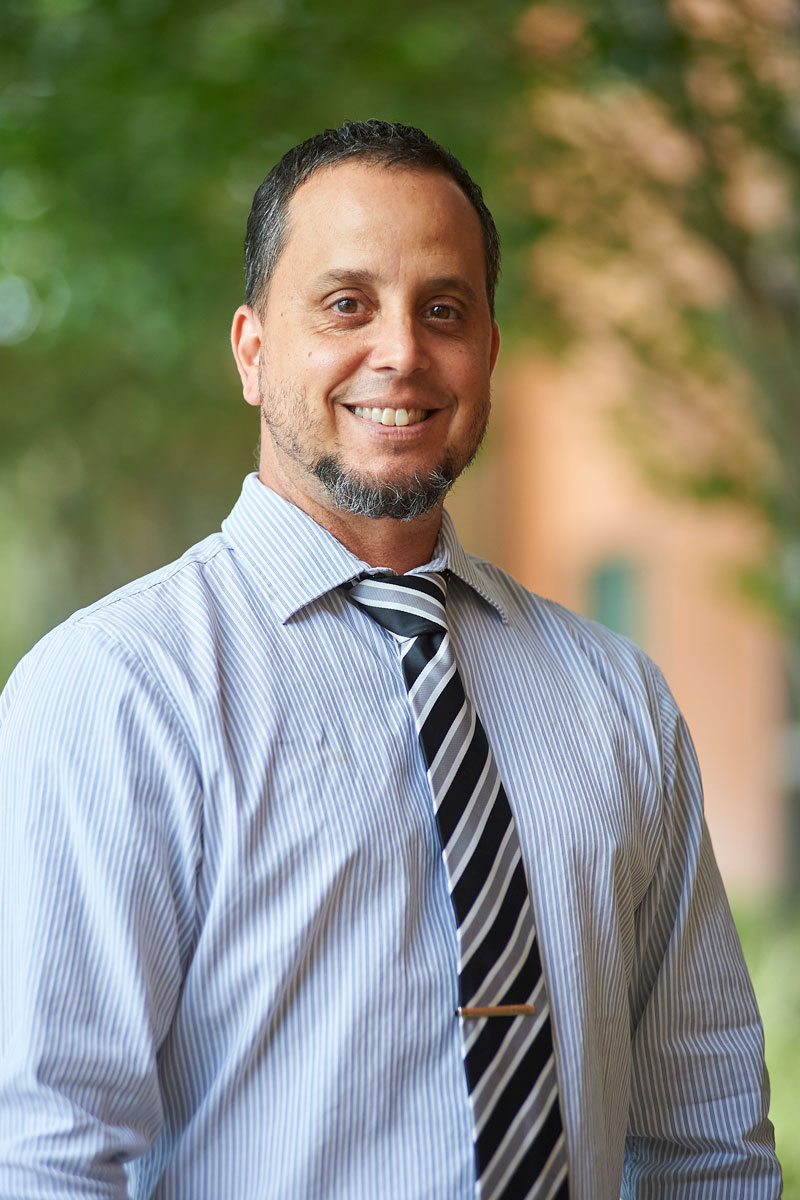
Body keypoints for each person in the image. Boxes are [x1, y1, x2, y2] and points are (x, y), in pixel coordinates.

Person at [0, 119, 781, 1199]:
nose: (402, 351)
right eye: (345, 304)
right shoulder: (114, 692)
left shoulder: (616, 699)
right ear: (251, 350)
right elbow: (45, 1157)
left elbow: (705, 1142)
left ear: (490, 353)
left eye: (444, 309)